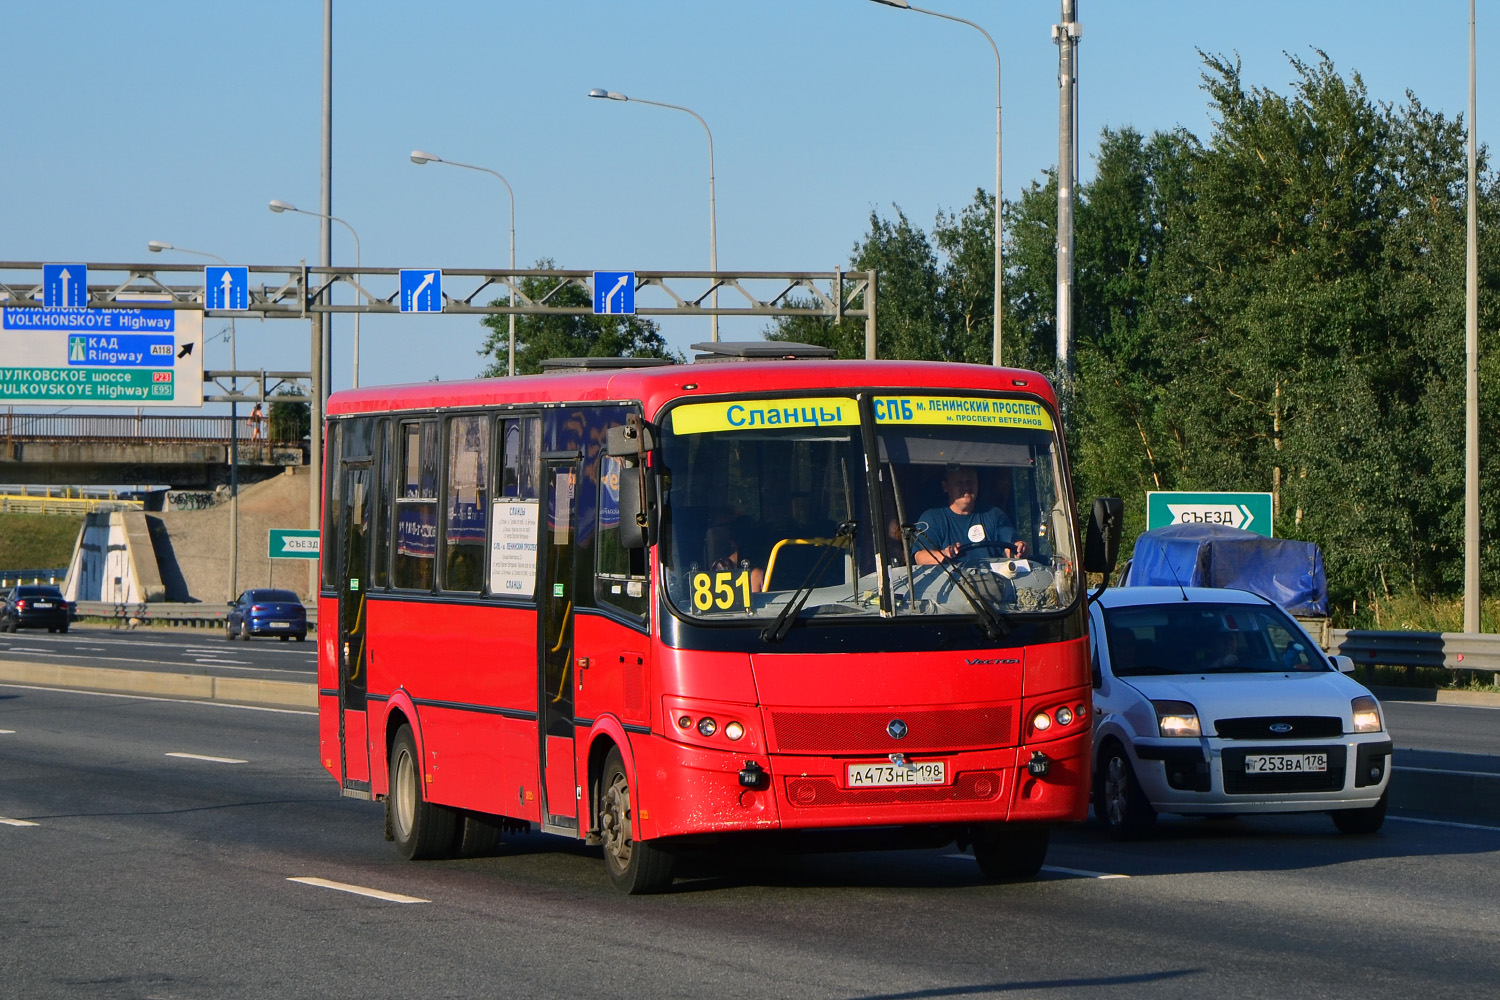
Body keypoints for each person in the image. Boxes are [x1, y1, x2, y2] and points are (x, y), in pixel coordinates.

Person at [913, 464, 1027, 566]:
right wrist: (944, 553)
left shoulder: (994, 515)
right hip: (953, 584)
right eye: (959, 483)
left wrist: (1018, 548)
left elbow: (1011, 546)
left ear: (977, 485)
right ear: (945, 486)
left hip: (995, 583)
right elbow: (920, 558)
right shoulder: (932, 518)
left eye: (970, 482)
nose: (966, 487)